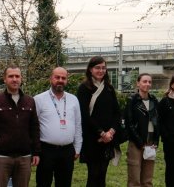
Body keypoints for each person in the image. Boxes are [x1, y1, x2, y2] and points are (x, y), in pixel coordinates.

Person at [0, 66, 40, 187]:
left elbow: (34, 127)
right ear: (4, 79)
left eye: (17, 76)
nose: (14, 79)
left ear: (21, 79)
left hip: (24, 157)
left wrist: (36, 152)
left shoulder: (30, 101)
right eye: (11, 76)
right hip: (1, 157)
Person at [76, 56, 122, 187]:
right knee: (93, 175)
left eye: (103, 68)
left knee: (102, 174)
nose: (101, 70)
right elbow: (84, 115)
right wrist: (101, 133)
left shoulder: (109, 88)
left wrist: (111, 132)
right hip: (92, 138)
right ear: (90, 69)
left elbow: (117, 113)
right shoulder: (84, 88)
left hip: (108, 138)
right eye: (97, 68)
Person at [34, 67, 82, 187]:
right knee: (43, 183)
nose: (60, 80)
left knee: (64, 184)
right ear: (51, 78)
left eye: (63, 78)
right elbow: (33, 127)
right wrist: (35, 150)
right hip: (46, 151)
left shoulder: (73, 100)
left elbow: (77, 125)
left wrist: (77, 148)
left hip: (67, 151)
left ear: (67, 80)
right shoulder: (39, 99)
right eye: (57, 77)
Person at [124, 73, 160, 187]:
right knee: (134, 179)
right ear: (138, 83)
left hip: (150, 142)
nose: (147, 84)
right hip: (136, 142)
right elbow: (129, 123)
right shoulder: (132, 100)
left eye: (149, 82)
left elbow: (157, 122)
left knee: (147, 179)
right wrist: (140, 142)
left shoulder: (154, 100)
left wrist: (155, 141)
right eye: (144, 81)